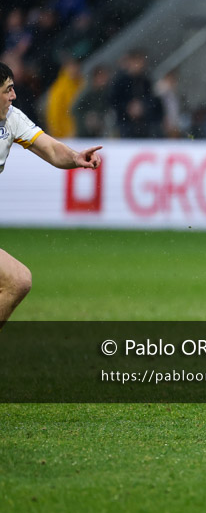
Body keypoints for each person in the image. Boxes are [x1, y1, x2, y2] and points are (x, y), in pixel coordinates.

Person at [0, 61, 102, 323]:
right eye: (7, 90)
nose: (14, 95)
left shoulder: (12, 118)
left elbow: (50, 149)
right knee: (17, 281)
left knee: (18, 282)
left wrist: (75, 157)